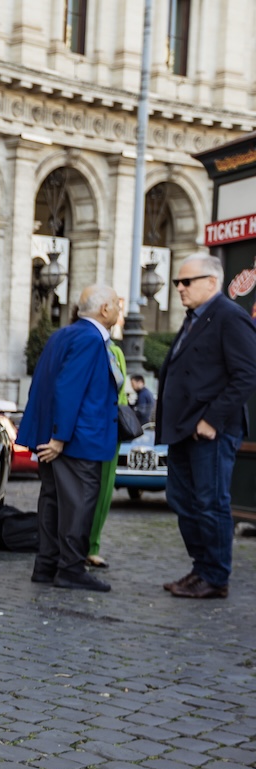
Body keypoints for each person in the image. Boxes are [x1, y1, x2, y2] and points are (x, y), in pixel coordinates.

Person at [158, 254, 256, 599]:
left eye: (186, 282)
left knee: (210, 502)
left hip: (211, 430)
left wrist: (212, 419)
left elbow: (247, 374)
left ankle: (215, 576)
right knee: (181, 498)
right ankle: (201, 567)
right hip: (184, 429)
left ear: (212, 282)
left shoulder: (230, 316)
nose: (180, 289)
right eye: (177, 283)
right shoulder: (195, 318)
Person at [16, 284, 121, 592]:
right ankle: (71, 569)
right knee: (77, 505)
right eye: (117, 304)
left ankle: (46, 566)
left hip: (58, 436)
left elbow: (47, 385)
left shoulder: (62, 334)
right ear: (104, 310)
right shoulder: (90, 338)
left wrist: (49, 434)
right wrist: (60, 437)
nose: (119, 309)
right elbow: (68, 388)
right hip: (76, 439)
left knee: (52, 501)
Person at [87, 336, 127, 569]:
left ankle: (90, 545)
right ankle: (87, 547)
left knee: (100, 491)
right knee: (96, 490)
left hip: (104, 430)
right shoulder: (110, 351)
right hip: (99, 430)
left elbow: (120, 396)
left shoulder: (114, 352)